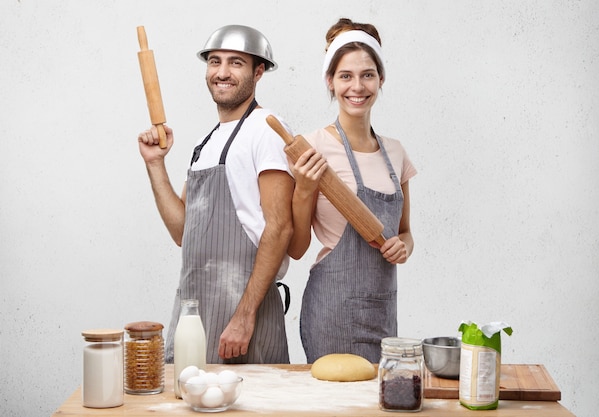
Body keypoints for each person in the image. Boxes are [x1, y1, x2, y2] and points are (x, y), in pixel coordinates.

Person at [137, 25, 293, 364]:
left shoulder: (266, 129)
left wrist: (244, 315)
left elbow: (280, 228)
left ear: (258, 71)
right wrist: (155, 165)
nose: (221, 73)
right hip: (195, 313)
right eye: (214, 62)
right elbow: (182, 231)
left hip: (243, 313)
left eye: (236, 63)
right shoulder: (204, 144)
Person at [288, 18, 417, 363]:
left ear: (381, 79)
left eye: (367, 75)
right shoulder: (312, 149)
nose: (356, 86)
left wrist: (402, 248)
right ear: (330, 82)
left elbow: (405, 233)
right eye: (345, 76)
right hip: (331, 311)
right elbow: (298, 248)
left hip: (382, 312)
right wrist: (303, 189)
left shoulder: (396, 152)